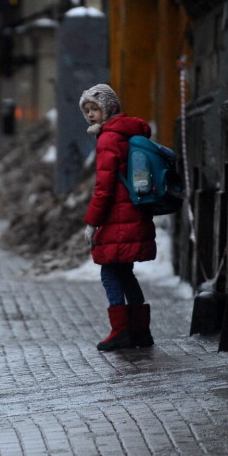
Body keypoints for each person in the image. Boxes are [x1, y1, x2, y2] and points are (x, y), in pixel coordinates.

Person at [80, 84, 156, 351]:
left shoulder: (109, 138)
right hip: (132, 213)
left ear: (108, 108)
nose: (90, 115)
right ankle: (140, 331)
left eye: (95, 109)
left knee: (110, 273)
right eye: (87, 110)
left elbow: (104, 187)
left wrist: (92, 221)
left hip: (118, 217)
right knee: (125, 273)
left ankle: (121, 330)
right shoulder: (126, 132)